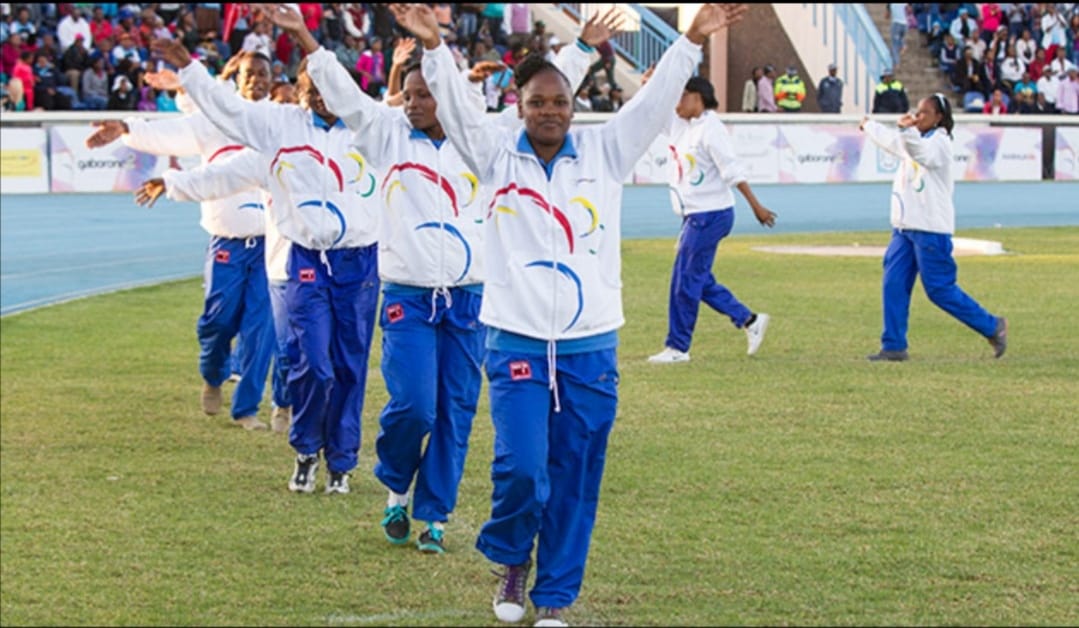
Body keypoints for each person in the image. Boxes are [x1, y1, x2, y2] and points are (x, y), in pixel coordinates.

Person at [392, 3, 748, 625]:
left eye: (559, 102)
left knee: (577, 474)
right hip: (515, 342)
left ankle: (554, 594)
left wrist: (691, 38)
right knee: (522, 468)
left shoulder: (606, 151)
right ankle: (512, 560)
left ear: (574, 106)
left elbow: (653, 102)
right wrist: (434, 48)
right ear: (520, 107)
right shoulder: (494, 154)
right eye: (537, 103)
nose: (549, 111)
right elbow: (457, 109)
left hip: (590, 347)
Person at [152, 32, 384, 494]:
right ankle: (306, 450)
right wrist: (189, 71)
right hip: (304, 261)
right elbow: (229, 133)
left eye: (330, 88)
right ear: (299, 91)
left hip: (358, 264)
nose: (321, 97)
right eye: (311, 89)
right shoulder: (281, 127)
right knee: (312, 363)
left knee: (348, 366)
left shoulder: (371, 130)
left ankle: (340, 461)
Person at [85, 51, 278, 432]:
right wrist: (126, 127)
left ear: (272, 80)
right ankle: (213, 374)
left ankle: (247, 409)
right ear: (236, 81)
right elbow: (170, 133)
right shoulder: (215, 120)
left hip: (269, 246)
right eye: (249, 74)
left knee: (261, 329)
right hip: (227, 244)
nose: (256, 81)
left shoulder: (279, 121)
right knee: (217, 324)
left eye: (262, 74)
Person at [859, 93, 1008, 362]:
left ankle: (992, 326)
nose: (918, 117)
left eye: (924, 113)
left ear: (939, 117)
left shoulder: (940, 143)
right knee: (893, 284)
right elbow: (894, 142)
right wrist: (870, 126)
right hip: (905, 228)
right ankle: (893, 346)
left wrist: (907, 130)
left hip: (930, 229)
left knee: (940, 290)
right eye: (917, 112)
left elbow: (922, 154)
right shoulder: (915, 137)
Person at [646, 75, 776, 365]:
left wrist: (757, 207)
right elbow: (655, 111)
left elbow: (732, 170)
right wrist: (650, 85)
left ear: (697, 98)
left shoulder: (711, 129)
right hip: (694, 215)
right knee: (698, 278)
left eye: (681, 96)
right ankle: (749, 320)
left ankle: (678, 348)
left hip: (711, 214)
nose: (676, 104)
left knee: (684, 282)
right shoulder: (681, 124)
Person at [887, 2, 909, 66]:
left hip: (896, 24)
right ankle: (903, 45)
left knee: (894, 45)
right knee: (900, 38)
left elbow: (887, 15)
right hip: (905, 25)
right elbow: (908, 10)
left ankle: (896, 63)